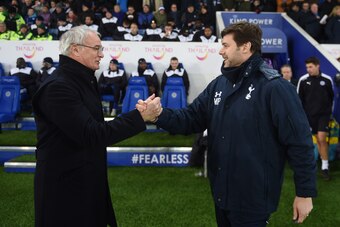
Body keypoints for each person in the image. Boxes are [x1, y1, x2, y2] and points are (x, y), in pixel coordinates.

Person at [138, 21, 316, 226]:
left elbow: (300, 142)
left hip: (253, 199)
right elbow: (189, 119)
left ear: (246, 47)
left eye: (225, 45)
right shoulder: (219, 84)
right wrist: (158, 114)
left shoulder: (275, 87)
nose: (220, 51)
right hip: (221, 194)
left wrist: (305, 193)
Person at [32, 26, 161, 227]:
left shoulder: (80, 80)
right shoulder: (59, 87)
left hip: (85, 184)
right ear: (75, 50)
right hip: (65, 194)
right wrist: (139, 117)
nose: (102, 54)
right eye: (97, 48)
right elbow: (92, 134)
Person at [297, 56, 334, 181]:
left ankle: (325, 167)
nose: (308, 69)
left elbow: (331, 98)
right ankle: (315, 165)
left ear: (318, 66)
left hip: (323, 116)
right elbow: (298, 100)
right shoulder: (303, 80)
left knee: (322, 138)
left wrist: (329, 114)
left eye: (311, 67)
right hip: (308, 116)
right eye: (307, 67)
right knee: (316, 140)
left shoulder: (327, 80)